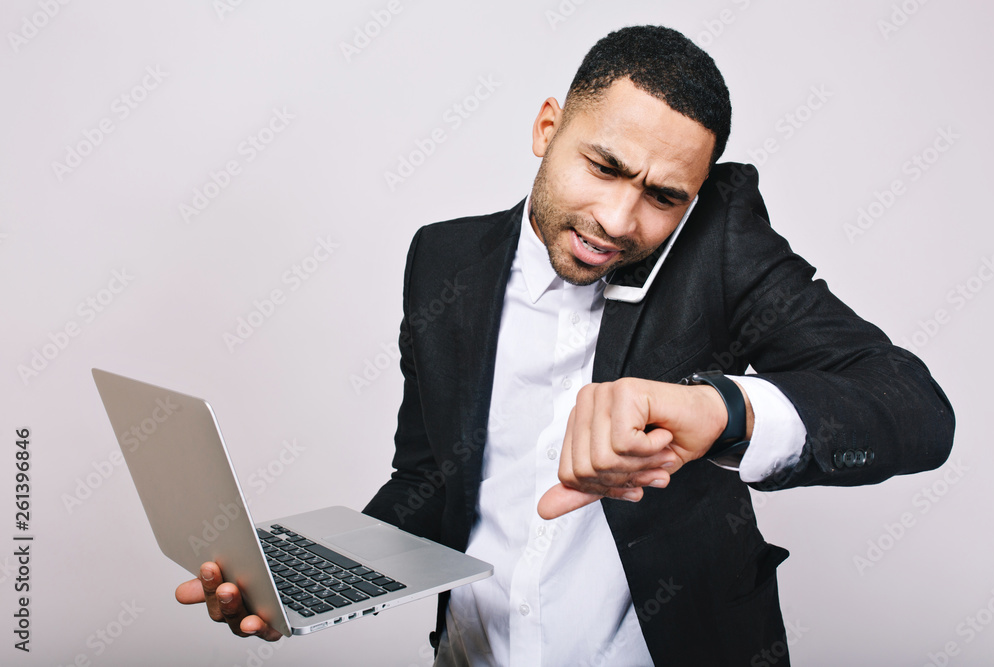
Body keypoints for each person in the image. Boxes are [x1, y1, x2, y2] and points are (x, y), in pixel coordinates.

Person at [176, 25, 954, 665]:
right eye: (605, 167)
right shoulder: (443, 261)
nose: (620, 220)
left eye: (662, 196)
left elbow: (913, 407)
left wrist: (720, 409)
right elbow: (429, 479)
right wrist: (312, 580)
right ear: (548, 127)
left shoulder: (719, 251)